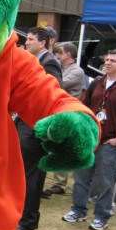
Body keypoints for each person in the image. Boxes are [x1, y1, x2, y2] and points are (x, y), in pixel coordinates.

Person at [63, 49, 116, 230]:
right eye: (107, 59)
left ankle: (102, 216)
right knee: (81, 177)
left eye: (113, 60)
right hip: (90, 138)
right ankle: (78, 210)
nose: (108, 63)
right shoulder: (97, 83)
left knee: (106, 182)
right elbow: (85, 107)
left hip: (109, 141)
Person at [15, 27, 62, 230]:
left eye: (31, 40)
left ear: (43, 43)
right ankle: (21, 216)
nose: (26, 43)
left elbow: (51, 92)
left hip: (34, 128)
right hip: (24, 124)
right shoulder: (31, 62)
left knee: (31, 176)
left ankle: (28, 221)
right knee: (22, 175)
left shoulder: (49, 63)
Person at [44, 42, 85, 196]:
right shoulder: (62, 69)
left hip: (67, 113)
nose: (57, 56)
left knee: (61, 146)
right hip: (56, 111)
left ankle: (60, 183)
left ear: (68, 54)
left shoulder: (77, 71)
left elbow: (58, 84)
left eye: (59, 53)